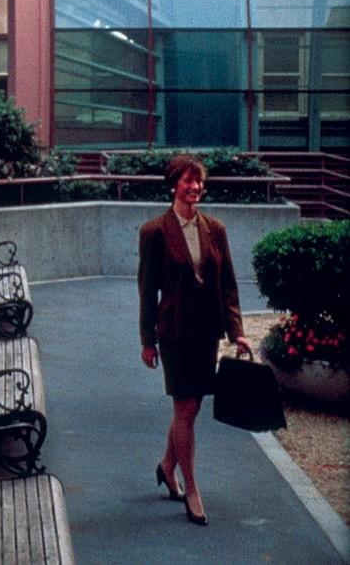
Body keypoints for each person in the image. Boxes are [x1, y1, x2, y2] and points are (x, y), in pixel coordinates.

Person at [138, 153, 251, 527]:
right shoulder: (154, 232)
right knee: (184, 408)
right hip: (173, 334)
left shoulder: (215, 228)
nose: (195, 187)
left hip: (206, 333)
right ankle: (192, 488)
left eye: (199, 181)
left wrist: (238, 331)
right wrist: (146, 340)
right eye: (188, 181)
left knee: (191, 408)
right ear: (174, 185)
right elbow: (146, 291)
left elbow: (229, 286)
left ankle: (167, 465)